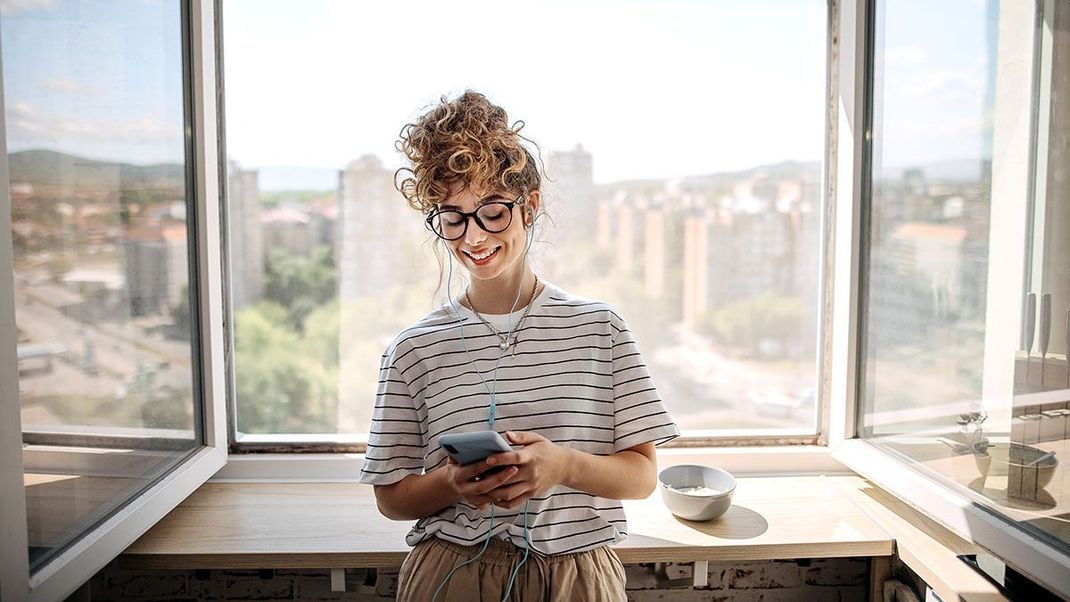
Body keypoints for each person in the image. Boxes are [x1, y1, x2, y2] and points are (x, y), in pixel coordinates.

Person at [358, 90, 679, 602]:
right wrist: (452, 483)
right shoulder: (413, 348)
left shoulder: (601, 328)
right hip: (450, 575)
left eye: (491, 211)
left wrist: (563, 466)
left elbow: (641, 478)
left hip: (579, 577)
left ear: (528, 206)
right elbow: (391, 497)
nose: (473, 237)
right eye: (453, 216)